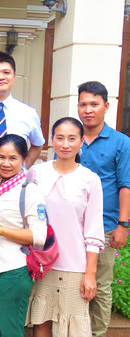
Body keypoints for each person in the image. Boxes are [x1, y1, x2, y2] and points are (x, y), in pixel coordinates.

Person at [26, 117, 105, 337]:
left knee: (72, 328)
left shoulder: (90, 180)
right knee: (41, 321)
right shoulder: (37, 173)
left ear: (82, 141)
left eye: (72, 138)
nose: (65, 144)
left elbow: (94, 232)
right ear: (52, 140)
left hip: (75, 266)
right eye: (60, 138)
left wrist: (90, 273)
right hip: (41, 264)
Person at [0, 134, 47, 337]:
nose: (5, 163)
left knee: (11, 332)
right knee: (0, 328)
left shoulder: (29, 190)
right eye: (1, 157)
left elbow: (39, 235)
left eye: (13, 158)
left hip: (14, 269)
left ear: (24, 159)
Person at [76, 81, 130, 337]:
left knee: (102, 283)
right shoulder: (71, 138)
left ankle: (96, 333)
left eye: (94, 104)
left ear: (106, 107)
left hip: (106, 226)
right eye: (83, 104)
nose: (88, 110)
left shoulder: (120, 142)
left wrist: (123, 224)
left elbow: (125, 185)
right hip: (73, 226)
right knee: (75, 279)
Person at [0, 51, 45, 168]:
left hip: (15, 183)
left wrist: (24, 167)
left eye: (6, 72)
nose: (1, 77)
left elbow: (38, 144)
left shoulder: (28, 113)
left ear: (14, 76)